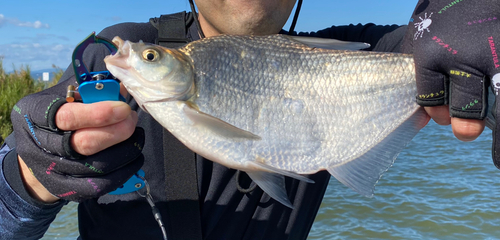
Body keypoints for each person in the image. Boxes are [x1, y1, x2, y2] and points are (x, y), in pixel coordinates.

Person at [1, 0, 497, 239]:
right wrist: (26, 181)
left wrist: (473, 16)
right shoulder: (114, 53)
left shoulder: (365, 49)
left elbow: (445, 46)